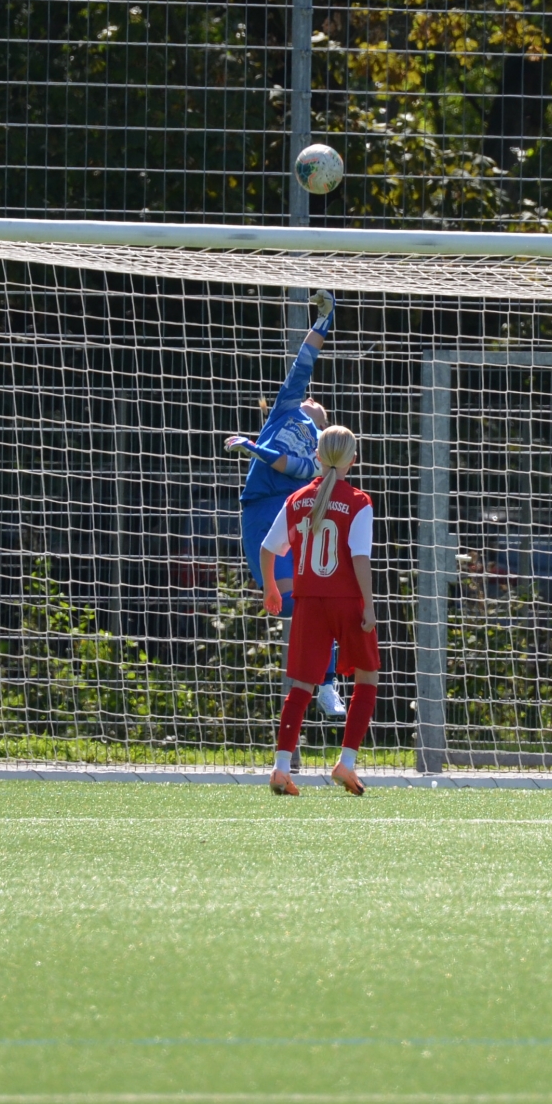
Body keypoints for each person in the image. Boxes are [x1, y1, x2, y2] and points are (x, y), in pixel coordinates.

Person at [225, 290, 347, 729]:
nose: (311, 396)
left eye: (317, 402)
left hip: (289, 518)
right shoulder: (286, 406)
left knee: (317, 602)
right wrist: (324, 320)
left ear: (322, 418)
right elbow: (304, 362)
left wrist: (251, 447)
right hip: (260, 515)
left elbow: (286, 464)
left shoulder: (317, 451)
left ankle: (327, 683)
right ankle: (317, 683)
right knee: (297, 604)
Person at [261, 427, 381, 797]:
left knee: (300, 686)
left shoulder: (297, 499)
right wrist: (370, 606)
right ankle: (346, 762)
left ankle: (281, 768)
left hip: (309, 602)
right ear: (353, 460)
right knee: (367, 678)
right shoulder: (359, 501)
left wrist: (269, 587)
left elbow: (268, 548)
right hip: (347, 601)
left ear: (317, 455)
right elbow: (359, 558)